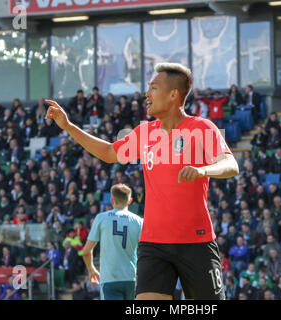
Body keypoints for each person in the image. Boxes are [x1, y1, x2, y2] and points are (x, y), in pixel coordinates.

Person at [46, 62, 239, 300]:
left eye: (154, 87)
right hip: (153, 243)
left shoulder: (201, 127)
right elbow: (108, 153)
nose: (147, 94)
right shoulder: (145, 133)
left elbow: (231, 165)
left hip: (197, 241)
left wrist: (203, 170)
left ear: (173, 95)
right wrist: (69, 126)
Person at [83, 184, 143, 300]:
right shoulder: (139, 221)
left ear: (111, 200)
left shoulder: (101, 218)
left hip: (110, 279)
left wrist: (91, 269)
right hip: (131, 279)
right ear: (130, 201)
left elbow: (86, 252)